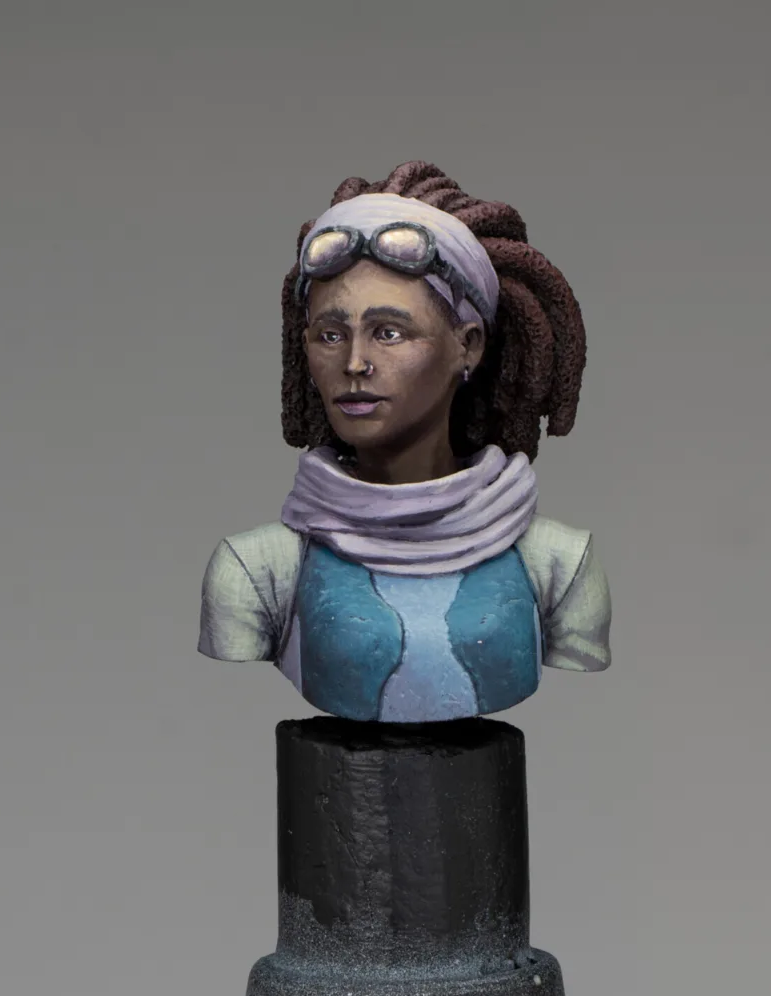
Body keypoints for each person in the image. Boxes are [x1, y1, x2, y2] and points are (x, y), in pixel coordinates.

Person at [198, 161, 611, 722]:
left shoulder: (558, 565)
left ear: (467, 346)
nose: (355, 363)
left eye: (389, 332)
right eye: (330, 335)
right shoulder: (256, 572)